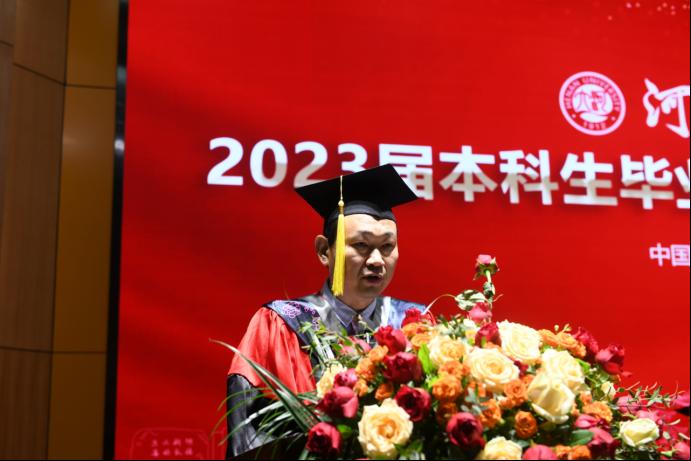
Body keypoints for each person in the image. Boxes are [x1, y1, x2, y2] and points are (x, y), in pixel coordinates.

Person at [226, 165, 425, 458]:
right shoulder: (282, 324)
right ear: (323, 250)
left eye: (387, 246)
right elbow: (253, 434)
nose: (376, 260)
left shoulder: (415, 325)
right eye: (361, 245)